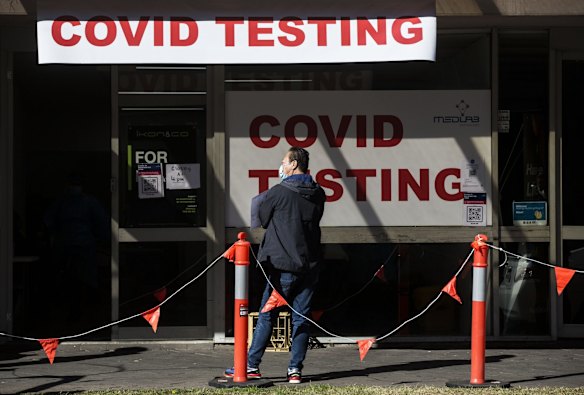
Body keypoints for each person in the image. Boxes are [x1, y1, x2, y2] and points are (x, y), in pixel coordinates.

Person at [226, 146, 326, 384]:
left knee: (267, 314)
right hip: (310, 266)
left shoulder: (279, 192)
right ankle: (295, 370)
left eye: (283, 162)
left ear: (293, 164)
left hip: (282, 266)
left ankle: (251, 366)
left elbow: (261, 218)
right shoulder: (319, 192)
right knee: (301, 318)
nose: (280, 166)